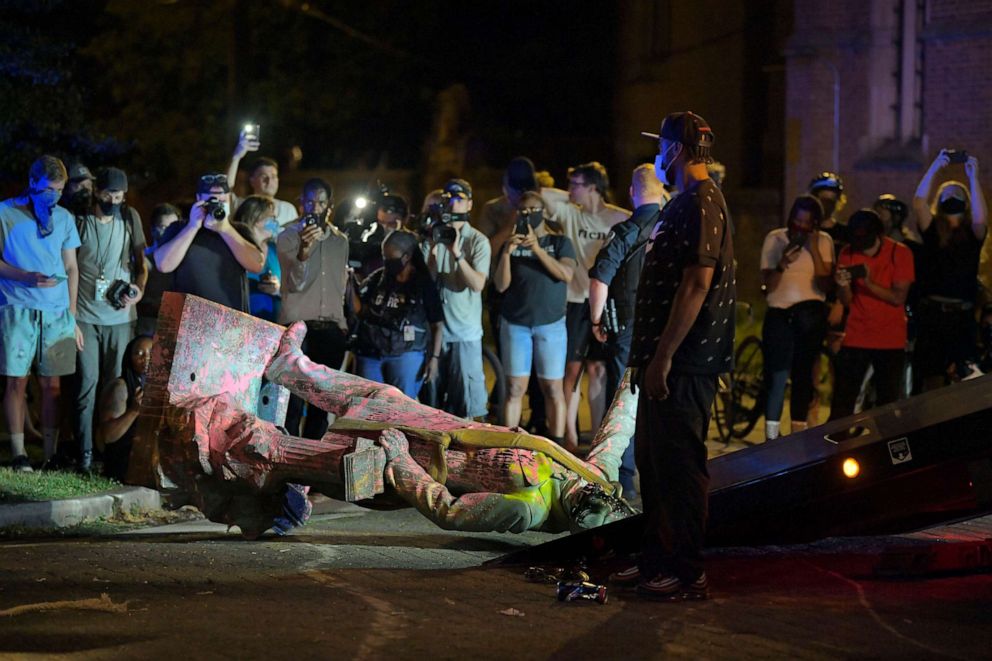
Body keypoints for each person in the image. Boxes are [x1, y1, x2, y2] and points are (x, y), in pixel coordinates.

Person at [611, 112, 735, 601]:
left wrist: (663, 357)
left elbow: (697, 283)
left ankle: (687, 571)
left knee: (680, 468)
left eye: (661, 146)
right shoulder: (682, 203)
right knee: (654, 464)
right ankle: (654, 560)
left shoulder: (702, 202)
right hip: (663, 362)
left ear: (677, 151)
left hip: (685, 364)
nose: (657, 155)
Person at [588, 163, 668, 497]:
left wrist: (596, 320)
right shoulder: (673, 228)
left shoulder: (626, 231)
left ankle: (623, 477)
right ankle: (658, 474)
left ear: (633, 192)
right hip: (666, 327)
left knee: (624, 399)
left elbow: (599, 278)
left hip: (628, 327)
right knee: (659, 397)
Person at [0, 155, 83, 471]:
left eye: (60, 190)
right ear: (33, 182)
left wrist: (72, 315)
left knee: (53, 386)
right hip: (17, 307)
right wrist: (25, 276)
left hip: (57, 313)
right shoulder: (5, 213)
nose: (54, 196)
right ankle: (19, 452)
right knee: (16, 382)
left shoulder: (64, 218)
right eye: (49, 189)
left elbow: (71, 267)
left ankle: (50, 454)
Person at [542, 162, 630, 450]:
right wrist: (570, 193)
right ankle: (568, 439)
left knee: (599, 371)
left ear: (593, 188)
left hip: (604, 301)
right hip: (575, 302)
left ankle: (595, 436)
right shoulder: (571, 213)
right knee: (572, 372)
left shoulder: (618, 218)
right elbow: (542, 193)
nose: (570, 190)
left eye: (576, 184)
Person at [72, 166, 148, 472]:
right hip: (86, 316)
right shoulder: (80, 221)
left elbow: (143, 265)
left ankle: (111, 454)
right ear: (95, 191)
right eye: (107, 194)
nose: (113, 200)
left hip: (120, 317)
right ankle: (85, 453)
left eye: (118, 195)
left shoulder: (130, 218)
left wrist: (138, 290)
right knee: (86, 384)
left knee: (114, 385)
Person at [492, 191, 576, 444]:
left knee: (552, 389)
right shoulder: (511, 244)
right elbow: (500, 285)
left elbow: (566, 274)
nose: (527, 215)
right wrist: (507, 252)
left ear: (543, 213)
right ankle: (509, 447)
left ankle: (557, 447)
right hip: (516, 324)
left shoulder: (560, 242)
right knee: (515, 388)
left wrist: (537, 249)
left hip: (550, 325)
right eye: (523, 210)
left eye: (532, 210)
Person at [906, 151, 987, 391]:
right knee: (931, 378)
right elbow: (919, 202)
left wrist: (973, 178)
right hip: (933, 316)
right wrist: (936, 167)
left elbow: (981, 219)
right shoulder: (932, 232)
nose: (953, 196)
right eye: (948, 193)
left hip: (961, 316)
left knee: (963, 380)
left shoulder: (973, 236)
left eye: (958, 193)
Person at [277, 177, 350, 439]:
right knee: (294, 402)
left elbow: (339, 285)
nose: (315, 208)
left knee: (322, 402)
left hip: (330, 329)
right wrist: (304, 251)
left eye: (321, 202)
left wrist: (341, 323)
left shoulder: (340, 240)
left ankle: (312, 462)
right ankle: (289, 458)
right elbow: (294, 284)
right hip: (298, 328)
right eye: (310, 201)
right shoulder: (287, 236)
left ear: (329, 206)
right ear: (301, 203)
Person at [828, 209, 914, 422]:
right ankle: (837, 449)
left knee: (887, 402)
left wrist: (868, 282)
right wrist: (842, 286)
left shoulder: (899, 253)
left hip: (890, 340)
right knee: (843, 400)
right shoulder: (848, 253)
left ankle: (885, 448)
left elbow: (897, 297)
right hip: (857, 334)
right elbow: (847, 300)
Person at [759, 194, 833, 439]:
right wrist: (782, 263)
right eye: (796, 221)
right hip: (780, 314)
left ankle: (798, 435)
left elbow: (824, 284)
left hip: (810, 314)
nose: (799, 227)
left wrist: (812, 250)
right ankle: (771, 435)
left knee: (803, 376)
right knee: (777, 375)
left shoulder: (823, 241)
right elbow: (768, 284)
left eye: (806, 223)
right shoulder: (775, 238)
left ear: (815, 224)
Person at [422, 179, 491, 419]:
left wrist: (457, 254)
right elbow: (426, 282)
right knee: (432, 405)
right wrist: (432, 247)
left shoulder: (478, 241)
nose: (452, 202)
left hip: (464, 333)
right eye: (448, 197)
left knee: (466, 408)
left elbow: (477, 284)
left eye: (459, 198)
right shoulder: (434, 235)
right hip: (434, 334)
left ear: (470, 204)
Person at [352, 230, 444, 399]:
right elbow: (361, 311)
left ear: (407, 256)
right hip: (371, 353)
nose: (387, 262)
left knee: (399, 408)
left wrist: (434, 358)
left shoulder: (422, 284)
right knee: (368, 409)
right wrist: (350, 285)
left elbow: (437, 324)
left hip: (406, 354)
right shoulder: (378, 278)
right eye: (384, 257)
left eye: (391, 258)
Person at [154, 173, 265, 312]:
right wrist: (192, 227)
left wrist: (225, 229)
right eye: (212, 201)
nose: (217, 206)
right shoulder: (178, 228)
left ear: (229, 200)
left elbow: (257, 265)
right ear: (198, 199)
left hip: (230, 319)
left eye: (222, 201)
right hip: (188, 317)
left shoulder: (240, 230)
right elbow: (163, 265)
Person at [95, 334, 153, 481]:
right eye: (139, 353)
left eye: (151, 353)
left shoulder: (160, 387)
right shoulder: (120, 387)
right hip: (124, 465)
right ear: (129, 358)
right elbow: (108, 436)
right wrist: (133, 411)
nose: (146, 358)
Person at [226, 128, 298, 226]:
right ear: (252, 180)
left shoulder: (288, 210)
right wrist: (236, 157)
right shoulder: (241, 205)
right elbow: (225, 191)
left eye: (273, 176)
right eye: (264, 176)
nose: (269, 181)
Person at [136, 203, 183, 336]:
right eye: (163, 227)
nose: (168, 231)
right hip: (146, 327)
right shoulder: (143, 259)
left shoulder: (185, 259)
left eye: (173, 226)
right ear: (152, 229)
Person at [242, 198, 282, 322]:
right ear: (256, 218)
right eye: (271, 218)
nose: (276, 222)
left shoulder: (275, 251)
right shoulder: (239, 248)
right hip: (244, 321)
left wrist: (277, 289)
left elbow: (290, 289)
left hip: (274, 322)